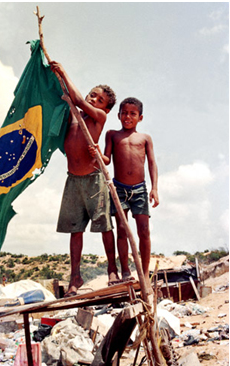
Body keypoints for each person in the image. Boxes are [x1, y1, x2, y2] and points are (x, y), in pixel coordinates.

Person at [50, 61, 119, 297]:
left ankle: (112, 268)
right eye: (92, 95)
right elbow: (70, 98)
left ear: (106, 109)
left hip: (93, 180)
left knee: (103, 225)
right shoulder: (74, 115)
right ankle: (75, 277)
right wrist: (55, 76)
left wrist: (64, 72)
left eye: (99, 100)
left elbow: (77, 99)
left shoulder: (99, 118)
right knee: (74, 230)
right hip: (73, 181)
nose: (93, 100)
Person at [89, 97, 159, 290]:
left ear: (140, 117)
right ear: (119, 115)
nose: (128, 117)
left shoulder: (145, 138)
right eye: (124, 113)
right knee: (122, 229)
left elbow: (152, 163)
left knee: (144, 231)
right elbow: (107, 159)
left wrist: (154, 188)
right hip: (119, 189)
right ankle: (126, 271)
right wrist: (96, 153)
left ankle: (144, 273)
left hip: (139, 190)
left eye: (132, 114)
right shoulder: (112, 134)